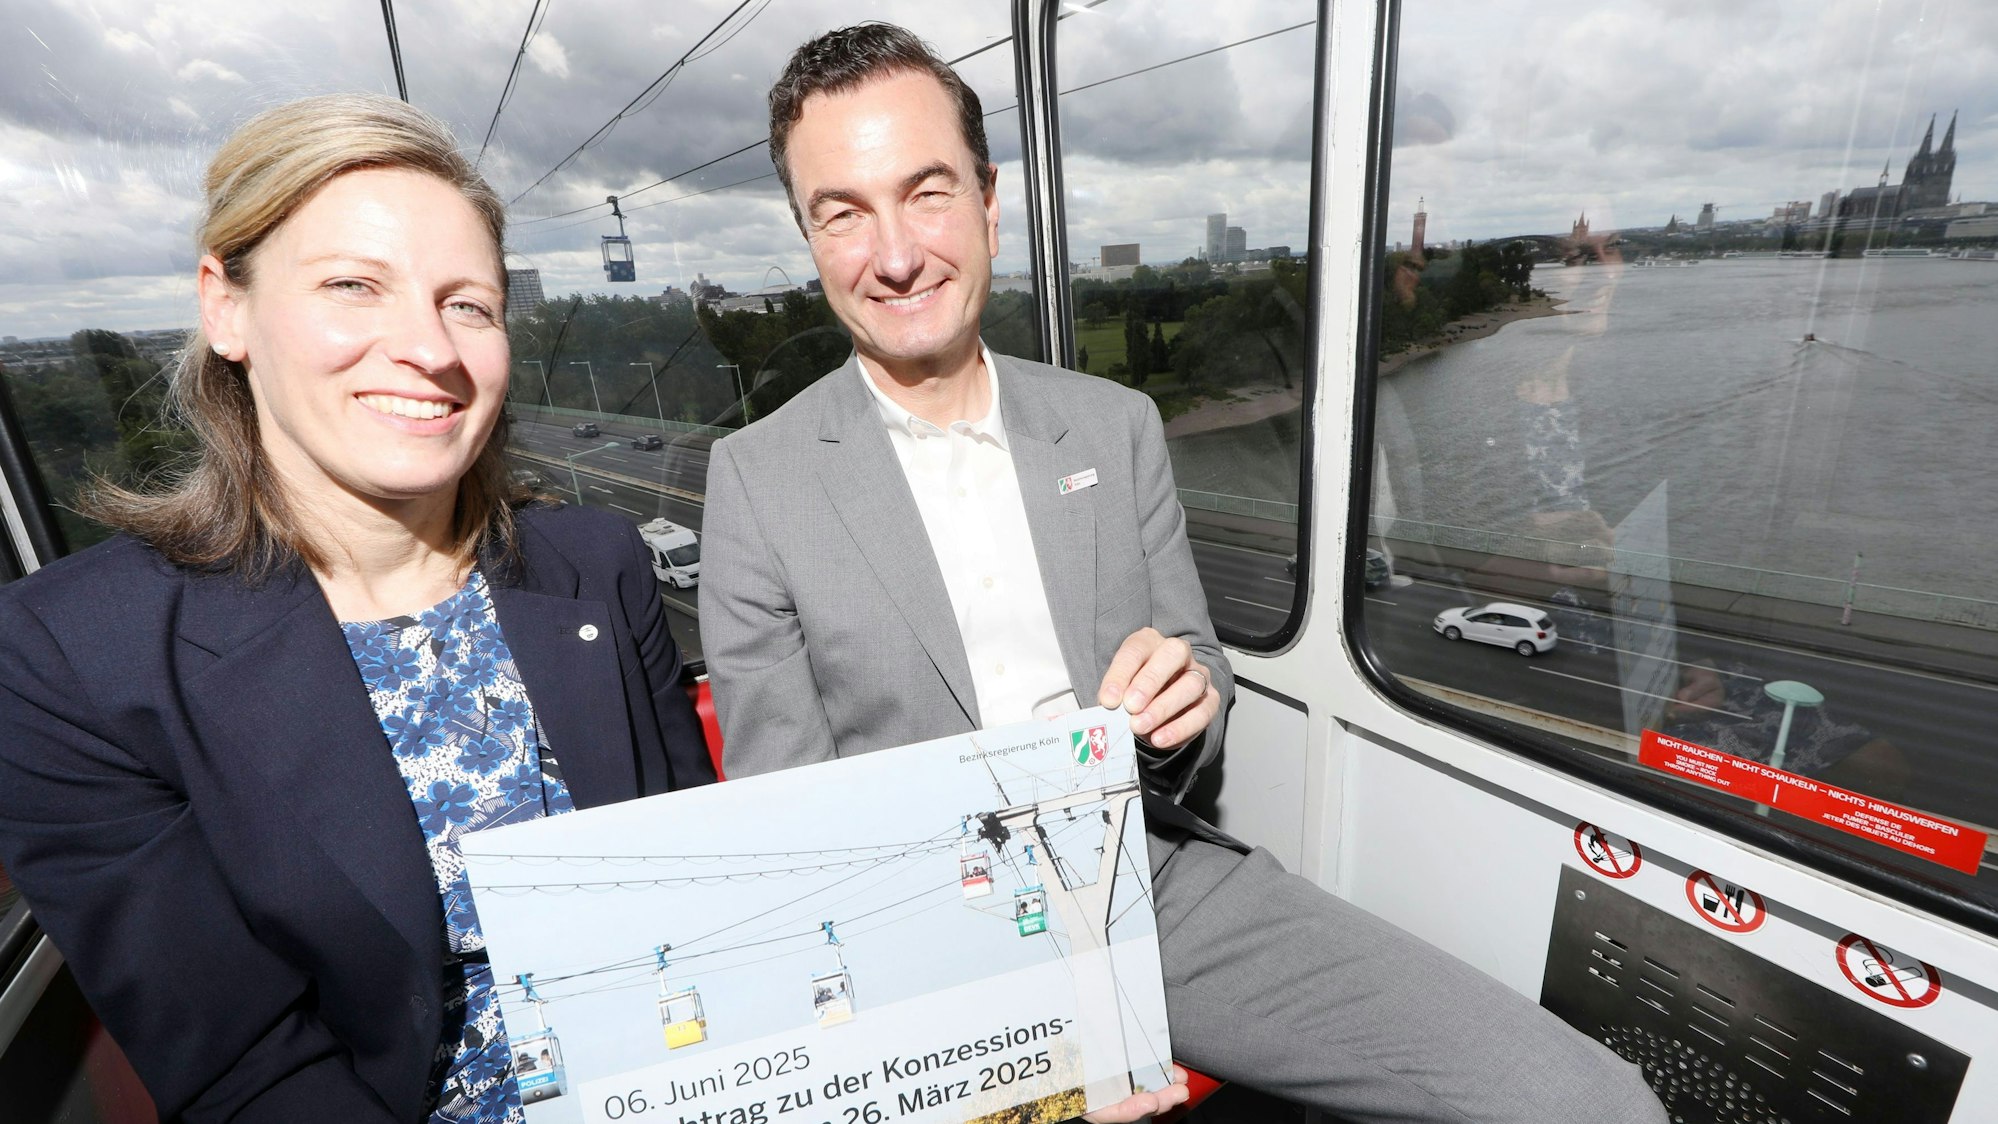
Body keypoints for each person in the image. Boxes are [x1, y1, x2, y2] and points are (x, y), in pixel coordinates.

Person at [701, 23, 1664, 1124]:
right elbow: (798, 847)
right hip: (928, 939)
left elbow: (1199, 661)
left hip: (1154, 880)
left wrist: (1184, 702)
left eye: (927, 193)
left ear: (989, 202)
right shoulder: (759, 481)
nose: (896, 255)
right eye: (843, 213)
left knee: (1597, 1103)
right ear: (808, 237)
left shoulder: (1115, 425)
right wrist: (1015, 1070)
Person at [0, 94, 713, 1122]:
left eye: (468, 304)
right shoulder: (73, 660)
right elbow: (249, 1070)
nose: (428, 346)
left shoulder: (597, 564)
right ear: (226, 308)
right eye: (352, 285)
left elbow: (699, 890)